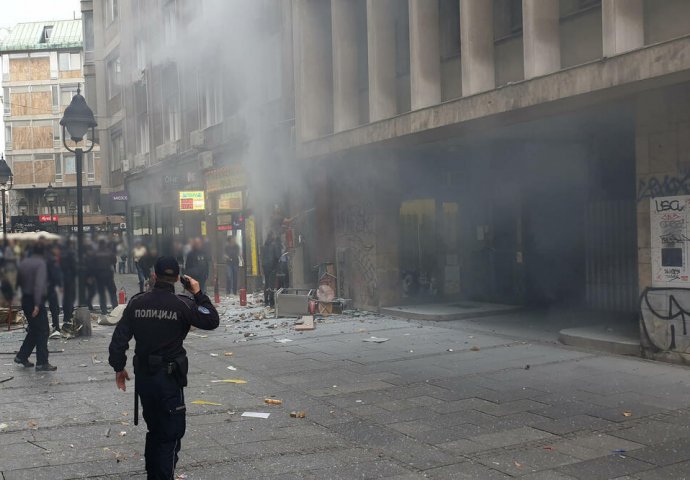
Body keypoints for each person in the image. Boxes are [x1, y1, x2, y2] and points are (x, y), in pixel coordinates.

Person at [108, 257, 219, 479]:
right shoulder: (183, 304)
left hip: (145, 380)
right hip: (169, 380)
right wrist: (197, 293)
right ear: (179, 278)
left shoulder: (137, 302)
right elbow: (211, 320)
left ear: (154, 276)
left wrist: (119, 368)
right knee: (170, 435)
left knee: (155, 430)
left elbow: (119, 339)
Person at [15, 243, 56, 371]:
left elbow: (18, 281)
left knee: (34, 329)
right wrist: (37, 305)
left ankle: (22, 356)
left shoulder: (24, 263)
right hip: (35, 301)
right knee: (43, 331)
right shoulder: (40, 264)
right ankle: (42, 362)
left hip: (26, 299)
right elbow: (39, 285)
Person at [94, 239, 118, 315]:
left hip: (99, 276)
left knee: (102, 293)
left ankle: (104, 310)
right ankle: (115, 308)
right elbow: (114, 261)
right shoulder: (109, 252)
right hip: (109, 275)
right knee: (112, 292)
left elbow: (92, 264)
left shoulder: (96, 253)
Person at [61, 240, 77, 329]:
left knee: (65, 297)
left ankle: (66, 315)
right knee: (71, 297)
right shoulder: (71, 253)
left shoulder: (62, 253)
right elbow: (74, 266)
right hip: (70, 277)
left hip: (63, 278)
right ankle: (69, 314)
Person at [261, 231, 280, 307]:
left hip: (265, 266)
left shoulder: (265, 245)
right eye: (274, 235)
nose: (275, 236)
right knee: (271, 284)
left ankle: (266, 301)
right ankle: (271, 302)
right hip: (272, 267)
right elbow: (277, 256)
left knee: (266, 283)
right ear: (272, 236)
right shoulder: (274, 244)